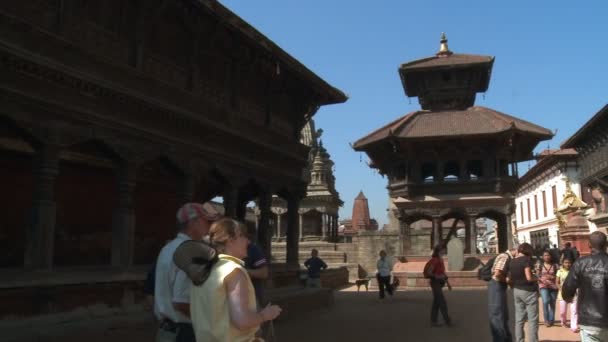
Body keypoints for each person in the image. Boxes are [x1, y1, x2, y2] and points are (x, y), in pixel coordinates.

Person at [190, 218, 282, 342]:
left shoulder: (204, 269)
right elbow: (242, 321)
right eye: (243, 236)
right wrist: (266, 315)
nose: (248, 241)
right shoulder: (234, 271)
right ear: (230, 240)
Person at [154, 202, 221, 342]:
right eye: (207, 221)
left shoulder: (168, 248)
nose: (210, 226)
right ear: (194, 222)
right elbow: (181, 302)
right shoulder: (192, 251)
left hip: (167, 329)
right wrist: (210, 322)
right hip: (185, 331)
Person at [562, 231, 608, 341]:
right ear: (606, 244)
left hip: (589, 320)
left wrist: (569, 298)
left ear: (589, 245)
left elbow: (568, 289)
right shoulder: (580, 263)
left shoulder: (580, 263)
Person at [509, 243, 539, 342]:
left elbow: (510, 277)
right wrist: (537, 278)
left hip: (517, 290)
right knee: (532, 319)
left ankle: (519, 340)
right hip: (528, 291)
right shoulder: (526, 260)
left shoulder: (512, 261)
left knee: (519, 319)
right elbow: (529, 278)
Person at [488, 245, 518, 342]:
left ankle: (505, 338)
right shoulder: (505, 257)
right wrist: (507, 280)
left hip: (499, 286)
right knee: (497, 314)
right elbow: (497, 274)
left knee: (503, 314)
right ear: (515, 250)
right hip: (496, 286)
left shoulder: (508, 258)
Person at [426, 245, 452, 327]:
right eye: (443, 250)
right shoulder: (435, 260)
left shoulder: (440, 260)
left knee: (436, 302)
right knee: (441, 301)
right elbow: (430, 272)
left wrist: (448, 283)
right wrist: (437, 276)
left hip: (439, 283)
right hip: (435, 282)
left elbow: (443, 273)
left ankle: (433, 321)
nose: (444, 251)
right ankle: (447, 319)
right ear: (439, 251)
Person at [536, 250, 559, 327]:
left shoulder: (555, 265)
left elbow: (559, 276)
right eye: (545, 255)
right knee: (545, 302)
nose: (547, 257)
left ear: (551, 256)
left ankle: (551, 319)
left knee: (552, 303)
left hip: (553, 286)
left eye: (548, 255)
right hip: (543, 286)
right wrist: (541, 279)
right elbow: (537, 275)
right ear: (542, 257)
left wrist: (553, 277)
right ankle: (546, 320)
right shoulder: (540, 265)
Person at [556, 258, 578, 333]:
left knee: (574, 310)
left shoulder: (574, 272)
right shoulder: (559, 271)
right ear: (563, 263)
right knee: (563, 312)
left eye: (569, 262)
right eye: (566, 262)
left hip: (573, 293)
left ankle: (574, 326)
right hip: (563, 294)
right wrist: (561, 289)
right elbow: (557, 282)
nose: (567, 264)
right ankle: (563, 321)